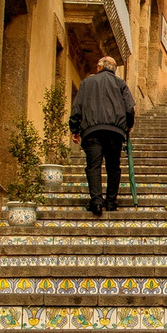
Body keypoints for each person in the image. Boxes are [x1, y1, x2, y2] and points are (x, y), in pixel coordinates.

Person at [69, 55, 136, 216]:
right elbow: (129, 108)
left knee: (93, 166)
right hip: (115, 131)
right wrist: (128, 125)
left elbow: (77, 107)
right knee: (113, 167)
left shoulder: (86, 83)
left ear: (99, 67)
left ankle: (97, 202)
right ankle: (111, 202)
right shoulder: (121, 84)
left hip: (92, 130)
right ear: (114, 70)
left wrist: (75, 129)